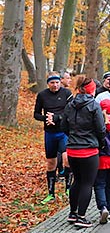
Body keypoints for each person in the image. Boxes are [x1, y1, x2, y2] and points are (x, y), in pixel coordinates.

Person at [60, 76, 106, 228]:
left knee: (77, 181)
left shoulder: (70, 104)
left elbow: (63, 126)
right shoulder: (94, 105)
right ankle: (81, 216)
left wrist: (74, 136)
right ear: (92, 90)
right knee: (87, 183)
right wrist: (101, 142)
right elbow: (100, 129)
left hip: (73, 149)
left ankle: (72, 213)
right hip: (89, 150)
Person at [34, 73, 73, 203]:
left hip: (63, 132)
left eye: (57, 82)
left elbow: (70, 112)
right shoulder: (42, 95)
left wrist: (57, 117)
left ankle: (68, 188)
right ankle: (51, 193)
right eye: (52, 83)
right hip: (49, 133)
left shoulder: (67, 93)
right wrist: (46, 118)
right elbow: (36, 114)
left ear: (60, 82)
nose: (55, 85)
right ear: (48, 83)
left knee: (66, 158)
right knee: (51, 163)